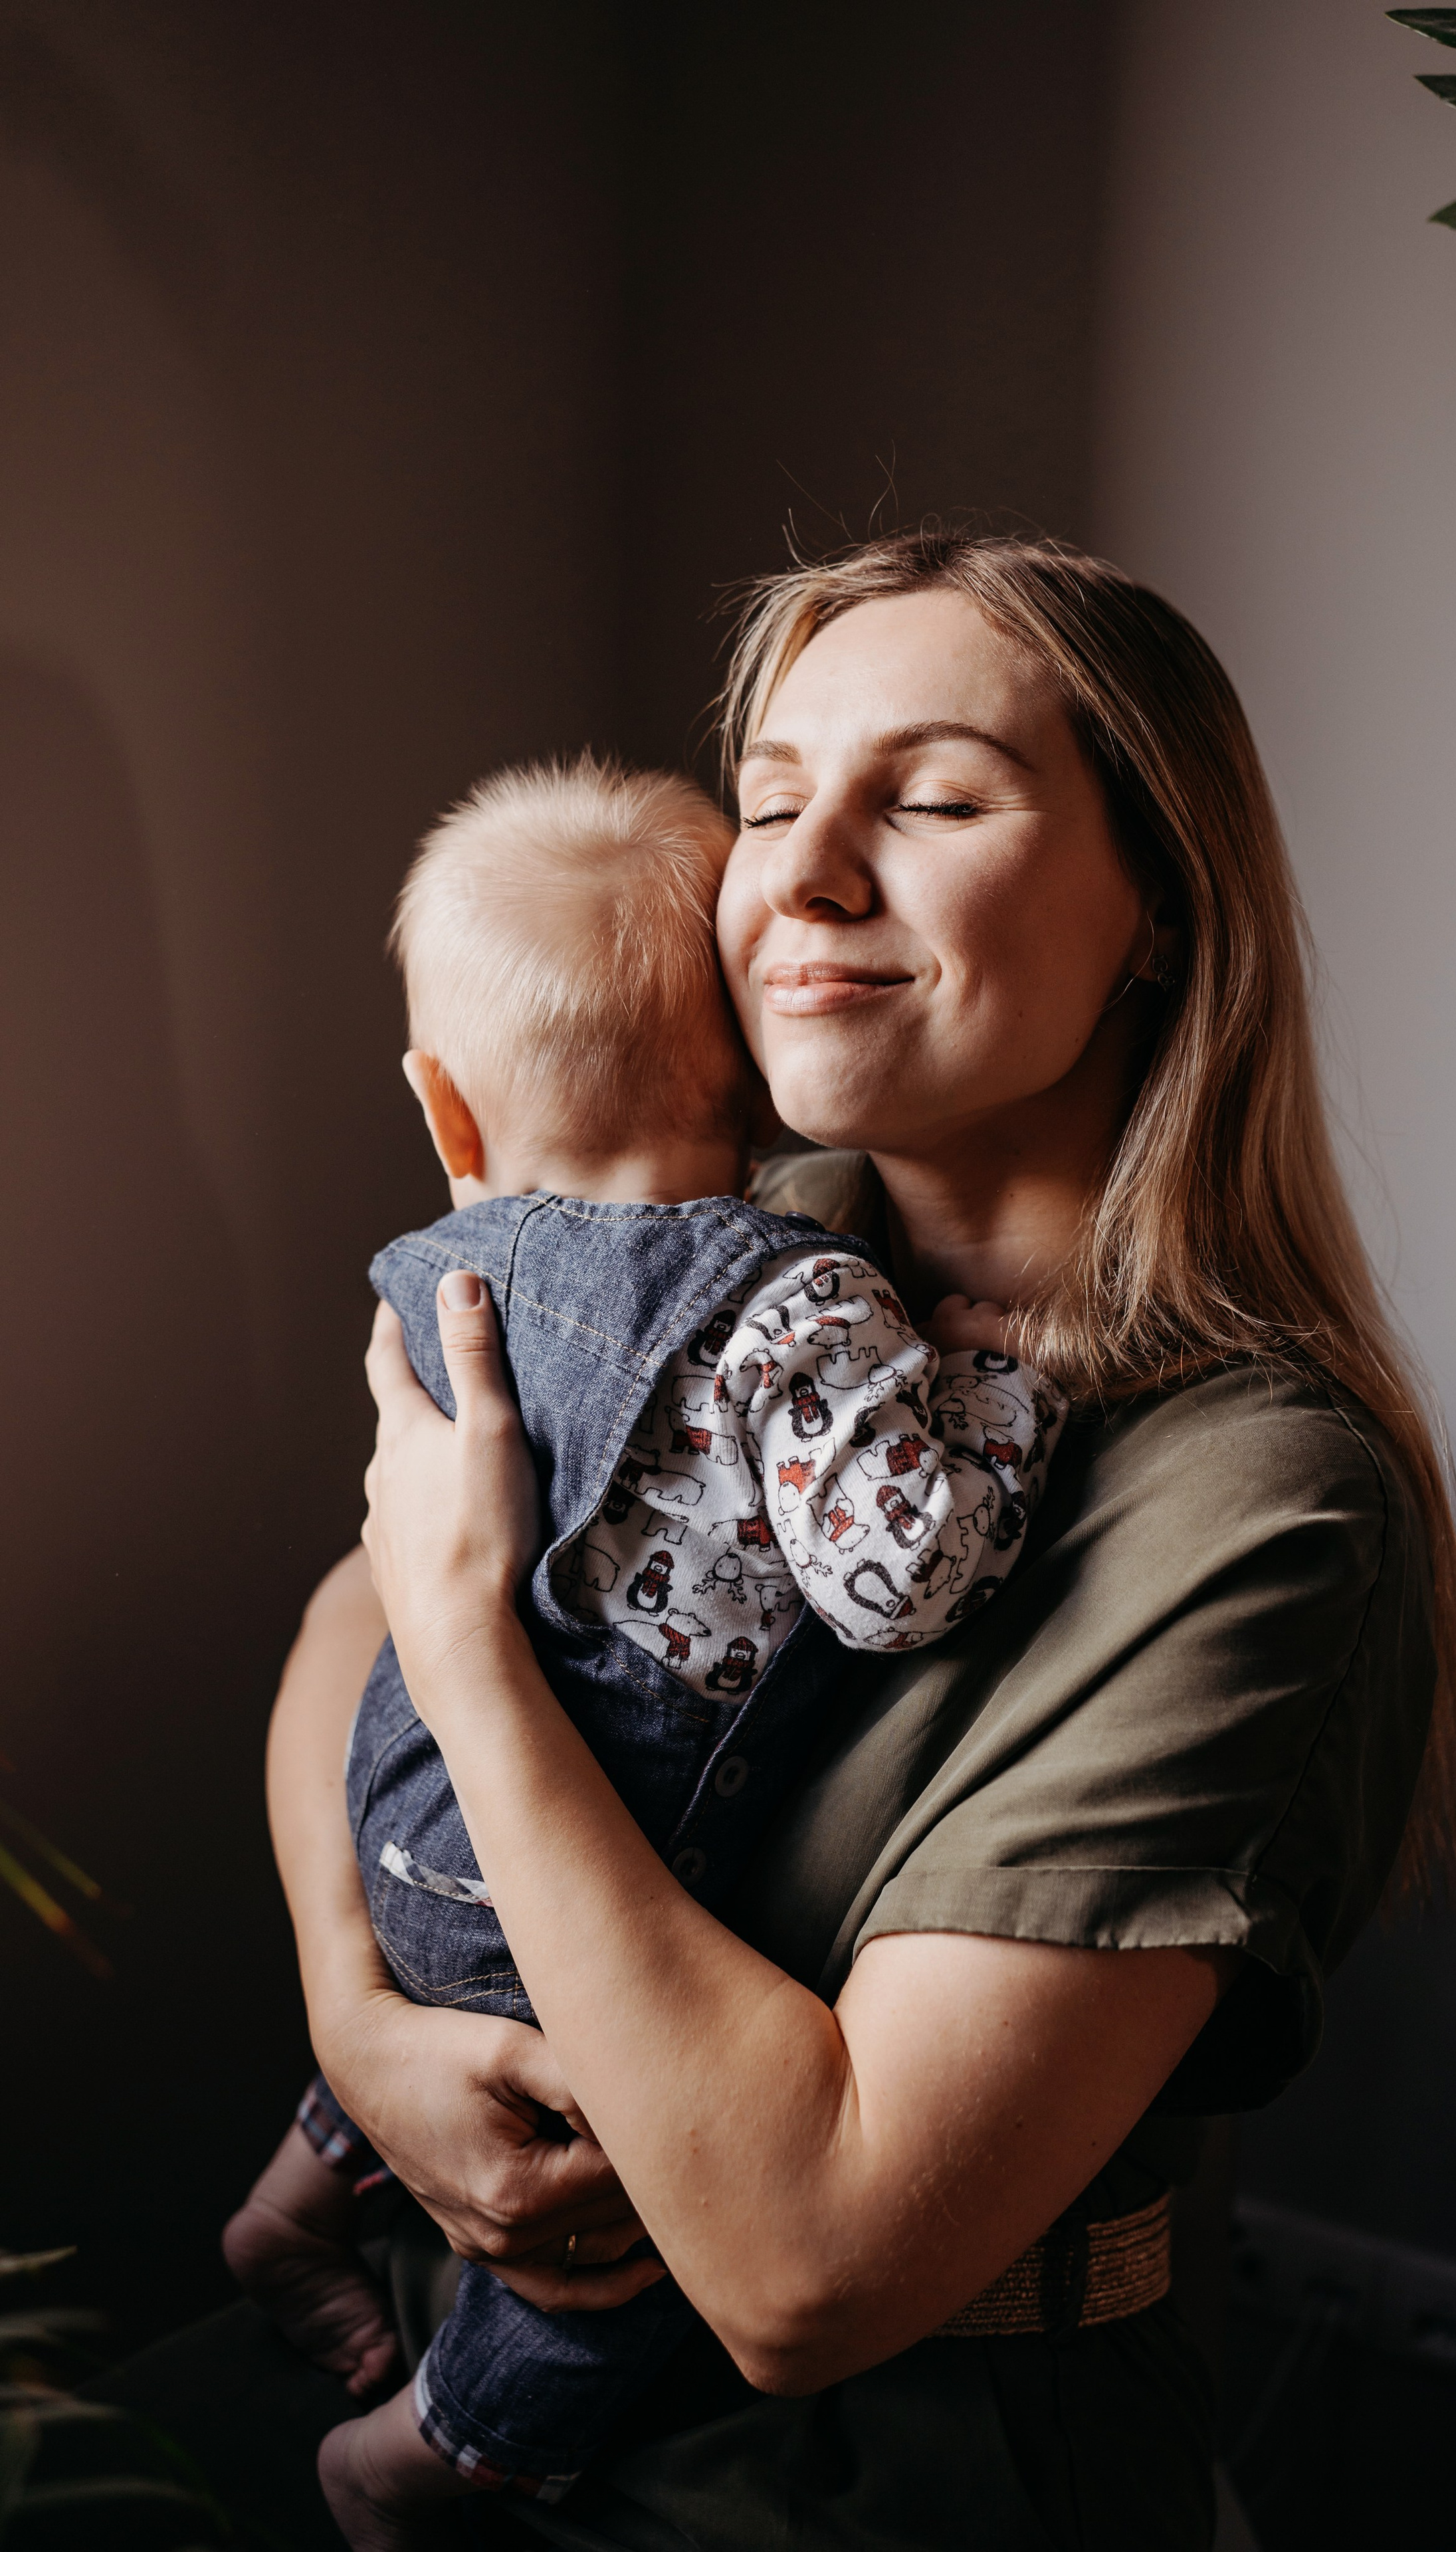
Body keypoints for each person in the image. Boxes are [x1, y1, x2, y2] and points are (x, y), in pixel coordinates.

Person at [235, 528, 1456, 2552]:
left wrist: (469, 1658)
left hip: (871, 2483)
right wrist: (357, 2030)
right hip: (443, 2337)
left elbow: (805, 2268)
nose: (802, 874)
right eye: (780, 796)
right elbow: (342, 1617)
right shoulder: (745, 1254)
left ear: (1158, 900)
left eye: (938, 797)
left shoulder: (1257, 1504)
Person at [225, 750, 1061, 2525]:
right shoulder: (795, 1298)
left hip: (402, 1816)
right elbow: (899, 1579)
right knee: (615, 2243)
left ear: (445, 1112)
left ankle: (295, 2196)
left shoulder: (432, 1268)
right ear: (761, 1079)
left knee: (446, 1950)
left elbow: (390, 1571)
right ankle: (422, 2453)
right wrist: (991, 1394)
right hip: (577, 1904)